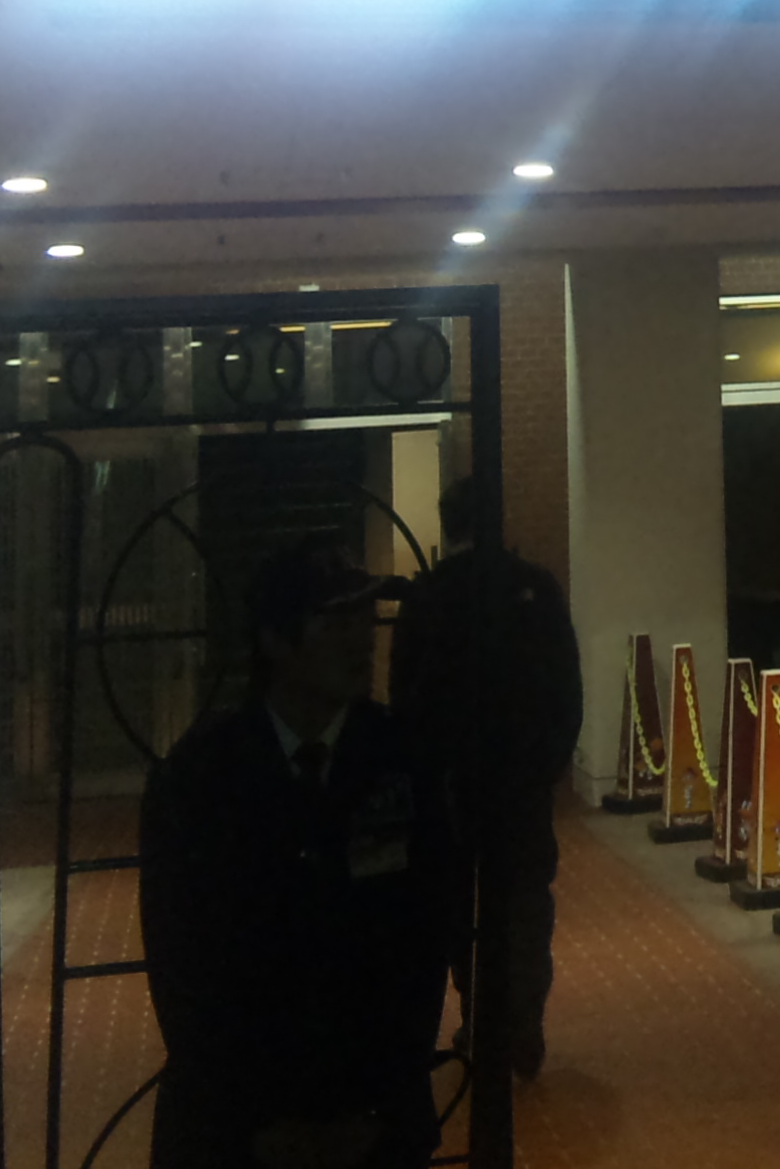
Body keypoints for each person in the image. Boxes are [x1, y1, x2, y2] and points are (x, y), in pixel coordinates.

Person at [141, 538, 459, 1169]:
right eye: (335, 623)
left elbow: (425, 939)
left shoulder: (403, 761)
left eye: (365, 619)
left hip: (376, 1125)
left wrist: (376, 1110)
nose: (362, 640)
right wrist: (253, 1120)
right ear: (275, 640)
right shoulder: (200, 777)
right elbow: (183, 964)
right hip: (230, 1132)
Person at [388, 479, 582, 1084]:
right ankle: (523, 1018)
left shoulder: (430, 595)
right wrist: (547, 766)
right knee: (525, 901)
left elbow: (404, 696)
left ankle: (481, 1018)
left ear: (448, 524)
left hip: (452, 784)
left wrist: (422, 774)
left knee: (460, 906)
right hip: (521, 781)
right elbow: (565, 687)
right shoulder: (535, 588)